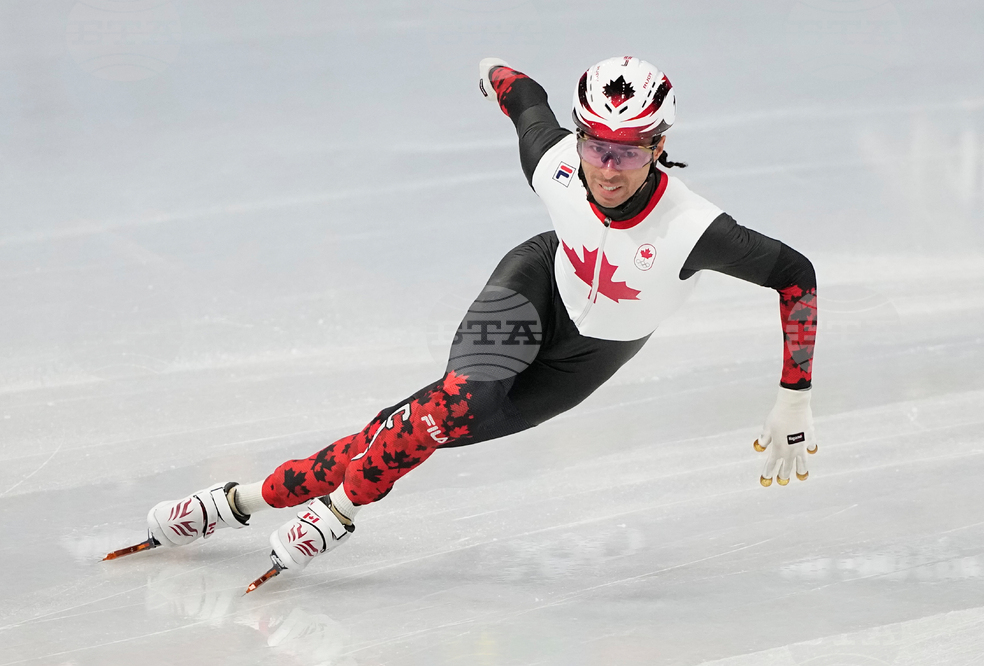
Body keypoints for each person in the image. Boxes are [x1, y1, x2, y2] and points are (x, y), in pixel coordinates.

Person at [130, 57, 818, 584]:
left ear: (660, 146)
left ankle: (237, 501)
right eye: (596, 147)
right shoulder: (555, 164)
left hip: (589, 357)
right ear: (579, 139)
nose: (607, 170)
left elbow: (795, 274)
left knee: (396, 430)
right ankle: (340, 514)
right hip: (534, 285)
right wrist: (495, 73)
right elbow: (525, 99)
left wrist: (795, 392)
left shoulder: (694, 228)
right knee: (455, 402)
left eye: (630, 151)